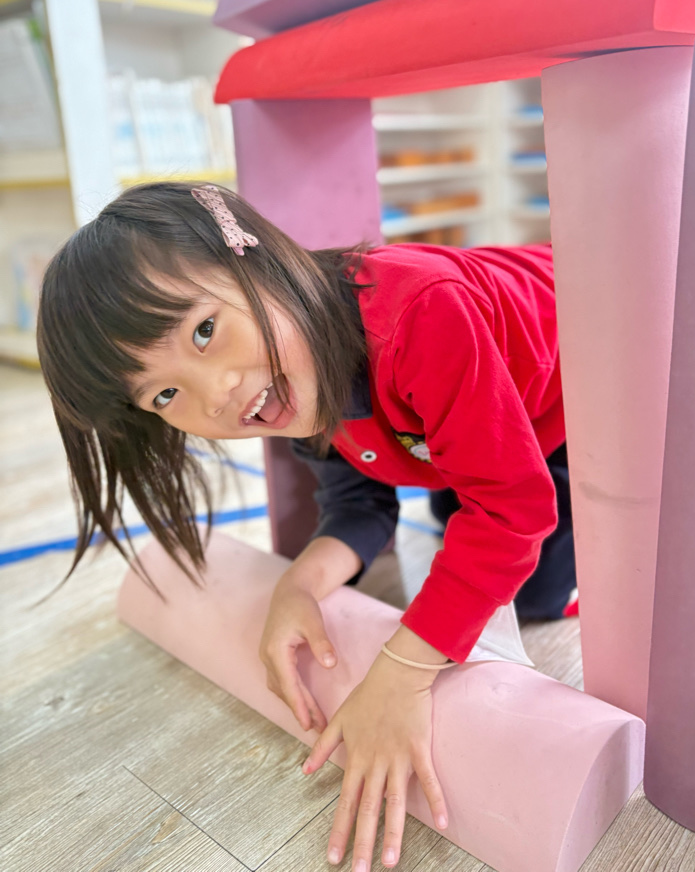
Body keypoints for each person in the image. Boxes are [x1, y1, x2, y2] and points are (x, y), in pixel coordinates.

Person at [37, 181, 576, 872]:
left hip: (590, 366)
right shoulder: (283, 376)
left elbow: (512, 508)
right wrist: (300, 585)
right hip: (500, 407)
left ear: (250, 254)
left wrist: (403, 671)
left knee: (535, 588)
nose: (217, 394)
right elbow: (359, 503)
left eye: (204, 331)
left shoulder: (420, 312)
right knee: (467, 522)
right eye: (166, 394)